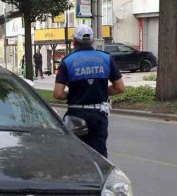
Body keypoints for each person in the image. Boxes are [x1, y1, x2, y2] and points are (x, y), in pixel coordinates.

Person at [53, 25, 125, 157]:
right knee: (99, 156)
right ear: (92, 41)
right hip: (98, 114)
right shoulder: (106, 59)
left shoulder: (67, 62)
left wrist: (74, 94)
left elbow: (58, 93)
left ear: (74, 40)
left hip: (76, 115)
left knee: (75, 155)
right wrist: (101, 90)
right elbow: (120, 88)